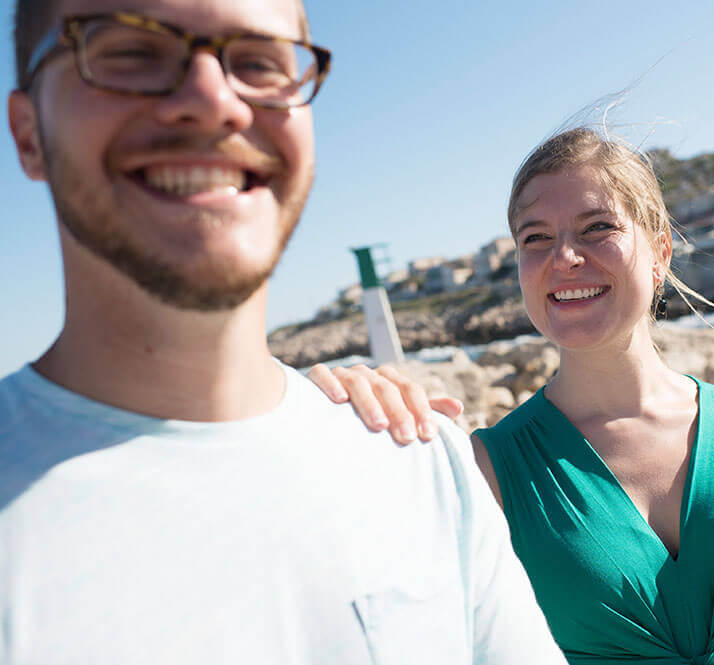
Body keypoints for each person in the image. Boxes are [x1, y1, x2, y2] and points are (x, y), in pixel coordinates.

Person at [0, 1, 566, 663]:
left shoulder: (423, 465)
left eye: (260, 62)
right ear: (30, 131)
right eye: (129, 52)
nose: (214, 101)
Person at [312, 128, 714, 664]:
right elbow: (341, 604)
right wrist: (318, 418)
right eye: (535, 238)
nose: (564, 258)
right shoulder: (490, 469)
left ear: (661, 252)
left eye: (597, 228)